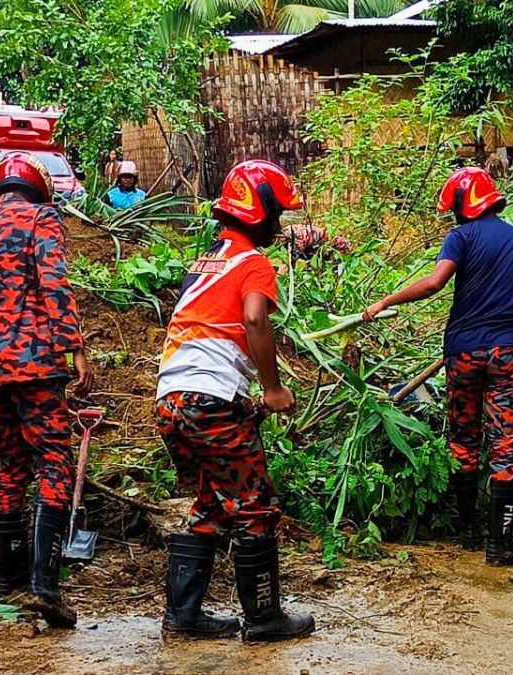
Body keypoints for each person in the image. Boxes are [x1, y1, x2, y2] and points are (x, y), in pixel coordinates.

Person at [156, 159, 315, 642]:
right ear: (259, 213)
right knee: (256, 507)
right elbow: (253, 321)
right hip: (211, 402)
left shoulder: (203, 262)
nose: (279, 226)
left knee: (210, 502)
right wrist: (270, 389)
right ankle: (265, 618)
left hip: (171, 400)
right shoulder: (254, 264)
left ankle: (183, 617)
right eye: (277, 216)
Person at [0, 152, 92, 629]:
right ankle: (45, 586)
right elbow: (55, 285)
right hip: (37, 365)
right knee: (54, 462)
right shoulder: (42, 219)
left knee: (12, 466)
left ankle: (8, 581)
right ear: (38, 189)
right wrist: (75, 347)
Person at [363, 167, 513, 567]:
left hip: (463, 353)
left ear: (462, 207)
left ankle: (469, 532)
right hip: (508, 352)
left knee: (464, 439)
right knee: (505, 442)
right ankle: (501, 545)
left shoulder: (460, 237)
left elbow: (434, 283)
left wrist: (385, 302)